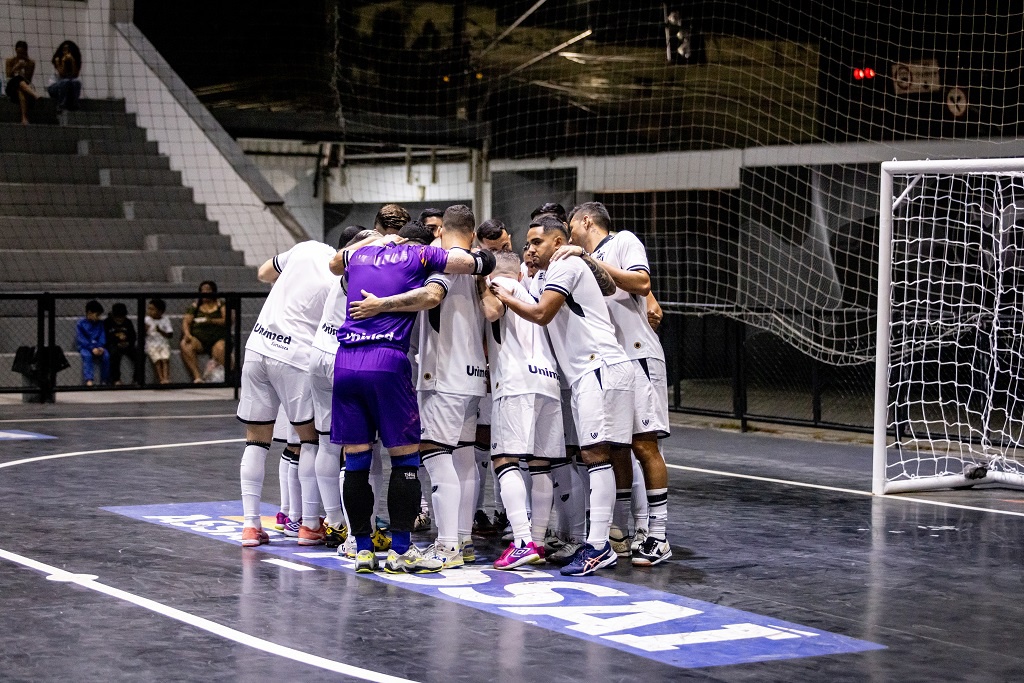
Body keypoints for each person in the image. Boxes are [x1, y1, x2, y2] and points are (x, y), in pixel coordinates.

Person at [329, 212, 496, 573]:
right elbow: (478, 262)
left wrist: (370, 241)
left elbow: (333, 262)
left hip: (344, 362)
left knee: (355, 461)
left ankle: (360, 547)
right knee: (407, 460)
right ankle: (401, 549)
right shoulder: (420, 255)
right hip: (387, 361)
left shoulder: (359, 254)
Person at [489, 214, 634, 577]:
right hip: (589, 372)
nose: (529, 250)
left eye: (537, 242)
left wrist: (504, 294)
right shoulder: (555, 270)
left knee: (595, 455)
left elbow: (540, 314)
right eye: (526, 244)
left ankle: (599, 545)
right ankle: (593, 542)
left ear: (558, 241)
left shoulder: (565, 265)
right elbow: (603, 288)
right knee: (590, 456)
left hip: (598, 367)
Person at [561, 201, 673, 566]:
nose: (569, 232)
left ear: (586, 221)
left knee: (644, 445)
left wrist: (590, 259)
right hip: (612, 364)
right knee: (617, 447)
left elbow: (642, 282)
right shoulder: (582, 261)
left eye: (571, 225)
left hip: (638, 354)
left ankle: (656, 534)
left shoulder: (623, 241)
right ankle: (620, 533)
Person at [238, 240, 338, 548]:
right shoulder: (341, 277)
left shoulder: (305, 248)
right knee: (309, 438)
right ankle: (309, 524)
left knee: (256, 439)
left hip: (257, 345)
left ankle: (251, 526)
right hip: (294, 356)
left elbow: (264, 272)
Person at [479, 250, 564, 569]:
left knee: (504, 459)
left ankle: (523, 540)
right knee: (540, 464)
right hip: (548, 382)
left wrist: (480, 282)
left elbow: (491, 312)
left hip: (516, 383)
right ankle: (538, 542)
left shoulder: (498, 284)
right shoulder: (530, 292)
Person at [180, 281, 228, 383]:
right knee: (186, 345)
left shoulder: (221, 304)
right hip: (199, 339)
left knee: (221, 348)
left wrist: (210, 320)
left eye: (208, 290)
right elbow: (186, 322)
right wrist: (187, 334)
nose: (205, 292)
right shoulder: (195, 306)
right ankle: (197, 377)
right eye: (203, 290)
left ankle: (226, 376)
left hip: (218, 338)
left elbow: (227, 320)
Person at [104, 302, 138, 386]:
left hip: (127, 345)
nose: (120, 321)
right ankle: (116, 379)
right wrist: (116, 342)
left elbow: (133, 336)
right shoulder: (107, 322)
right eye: (118, 319)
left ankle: (137, 379)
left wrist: (128, 343)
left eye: (122, 319)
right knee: (114, 355)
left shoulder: (128, 322)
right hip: (113, 345)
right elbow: (106, 337)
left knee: (139, 355)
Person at [76, 300, 108, 386]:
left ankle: (104, 379)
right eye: (97, 315)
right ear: (89, 313)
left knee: (106, 356)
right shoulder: (81, 323)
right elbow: (81, 339)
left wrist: (100, 347)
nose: (98, 317)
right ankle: (89, 379)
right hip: (85, 347)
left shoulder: (100, 324)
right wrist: (91, 348)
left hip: (98, 346)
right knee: (87, 356)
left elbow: (102, 336)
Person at [5, 41, 37, 124]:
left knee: (20, 90)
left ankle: (24, 117)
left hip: (23, 88)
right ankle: (35, 95)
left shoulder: (31, 63)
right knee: (18, 79)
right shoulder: (10, 61)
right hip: (11, 86)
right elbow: (8, 77)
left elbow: (28, 80)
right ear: (15, 51)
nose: (20, 55)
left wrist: (26, 68)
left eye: (22, 53)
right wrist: (16, 67)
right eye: (18, 53)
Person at [144, 299, 174, 384]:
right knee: (157, 359)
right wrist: (145, 329)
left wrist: (160, 331)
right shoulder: (146, 320)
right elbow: (143, 334)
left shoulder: (165, 320)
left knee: (165, 359)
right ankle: (161, 378)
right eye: (149, 308)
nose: (149, 311)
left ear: (160, 311)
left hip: (163, 343)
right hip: (151, 344)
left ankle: (166, 378)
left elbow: (170, 334)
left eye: (152, 309)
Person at [46, 40, 81, 112]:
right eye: (65, 50)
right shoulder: (57, 60)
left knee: (77, 82)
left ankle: (75, 104)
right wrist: (63, 62)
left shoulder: (74, 60)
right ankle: (61, 105)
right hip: (54, 87)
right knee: (65, 81)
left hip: (68, 87)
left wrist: (73, 61)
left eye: (69, 50)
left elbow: (75, 75)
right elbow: (61, 75)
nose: (66, 52)